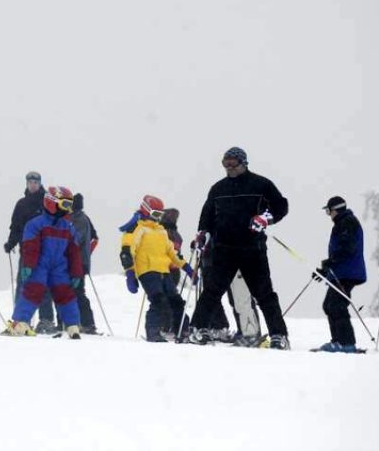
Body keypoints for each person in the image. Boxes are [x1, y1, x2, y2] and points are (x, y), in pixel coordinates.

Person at [186, 147, 291, 349]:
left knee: (264, 294)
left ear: (244, 163)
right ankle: (197, 329)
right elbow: (207, 217)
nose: (229, 168)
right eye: (226, 164)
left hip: (253, 249)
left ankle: (279, 336)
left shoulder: (261, 184)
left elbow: (281, 206)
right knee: (212, 291)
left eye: (233, 163)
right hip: (224, 250)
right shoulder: (218, 189)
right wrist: (203, 234)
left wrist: (266, 218)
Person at [3, 186, 84, 339]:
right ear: (52, 202)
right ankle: (21, 323)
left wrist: (76, 273)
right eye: (64, 205)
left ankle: (73, 326)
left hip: (59, 267)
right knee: (32, 291)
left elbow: (74, 253)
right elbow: (30, 247)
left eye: (69, 206)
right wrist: (28, 265)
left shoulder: (68, 227)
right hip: (39, 265)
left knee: (65, 294)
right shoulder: (36, 224)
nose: (67, 210)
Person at [120, 195, 193, 342]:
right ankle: (153, 331)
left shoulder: (161, 231)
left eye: (160, 215)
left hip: (164, 271)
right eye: (155, 214)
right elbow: (127, 252)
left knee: (176, 301)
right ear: (146, 210)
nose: (157, 218)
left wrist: (187, 268)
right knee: (159, 300)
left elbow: (172, 253)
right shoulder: (137, 228)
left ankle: (182, 330)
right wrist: (130, 273)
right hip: (147, 271)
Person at [5, 171, 58, 334]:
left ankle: (46, 320)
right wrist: (11, 242)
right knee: (23, 284)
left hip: (44, 250)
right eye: (30, 182)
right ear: (26, 183)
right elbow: (15, 226)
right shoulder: (21, 204)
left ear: (40, 183)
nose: (33, 184)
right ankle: (21, 320)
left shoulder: (46, 202)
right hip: (26, 251)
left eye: (35, 182)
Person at [314, 196, 367, 353]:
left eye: (328, 211)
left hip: (348, 272)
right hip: (342, 272)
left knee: (336, 305)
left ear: (335, 210)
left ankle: (346, 343)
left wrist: (330, 263)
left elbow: (347, 248)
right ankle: (338, 341)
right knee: (330, 305)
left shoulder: (347, 222)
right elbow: (341, 252)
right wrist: (326, 270)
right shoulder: (343, 222)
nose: (329, 215)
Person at [63, 193, 99, 334]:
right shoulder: (75, 218)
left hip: (79, 262)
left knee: (78, 292)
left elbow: (75, 239)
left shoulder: (80, 219)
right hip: (74, 261)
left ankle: (87, 323)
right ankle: (70, 322)